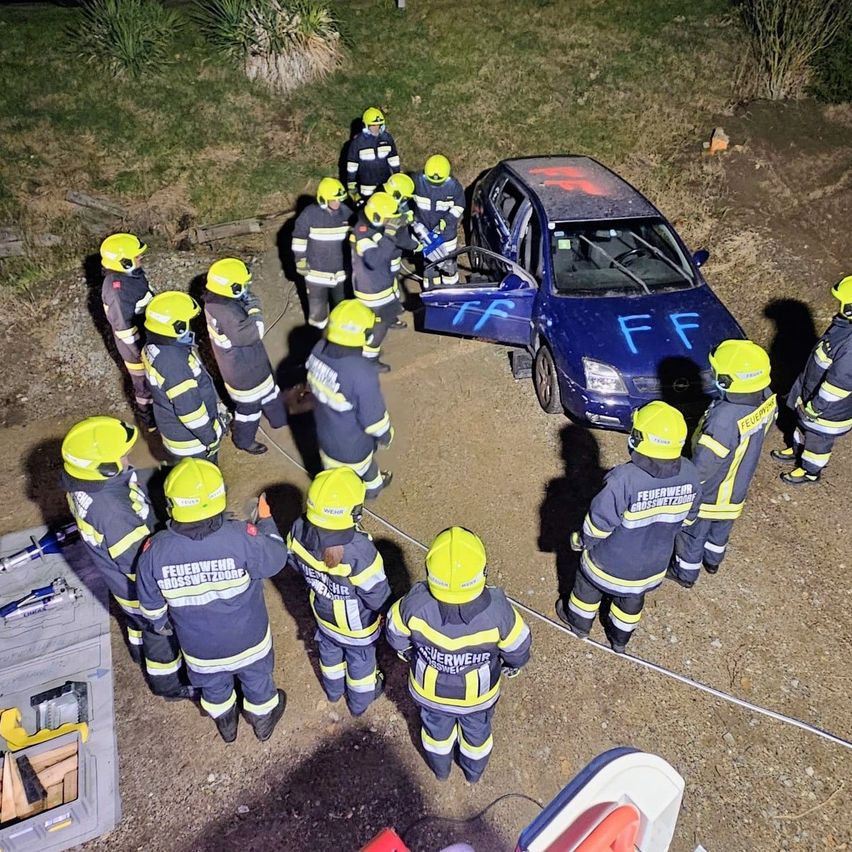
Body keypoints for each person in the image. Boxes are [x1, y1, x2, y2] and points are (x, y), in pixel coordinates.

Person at [136, 459, 287, 742]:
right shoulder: (242, 538)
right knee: (257, 681)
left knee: (214, 687)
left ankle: (226, 725)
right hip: (249, 641)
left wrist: (162, 625)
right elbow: (276, 558)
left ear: (172, 506)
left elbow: (152, 608)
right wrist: (266, 521)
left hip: (200, 651)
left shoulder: (154, 551)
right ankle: (263, 720)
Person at [61, 416, 196, 700]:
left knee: (136, 622)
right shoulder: (113, 514)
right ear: (105, 468)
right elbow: (138, 563)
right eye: (121, 456)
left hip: (119, 583)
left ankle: (137, 652)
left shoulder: (84, 484)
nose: (127, 457)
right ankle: (168, 684)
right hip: (138, 587)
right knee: (159, 634)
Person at [386, 527, 531, 783]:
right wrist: (513, 664)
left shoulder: (414, 603)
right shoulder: (498, 611)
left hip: (430, 694)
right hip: (478, 697)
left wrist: (408, 652)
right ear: (482, 572)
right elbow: (518, 647)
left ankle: (441, 771)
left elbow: (395, 633)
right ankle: (473, 774)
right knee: (477, 736)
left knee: (435, 735)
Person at [556, 401, 701, 653]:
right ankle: (619, 640)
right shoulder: (690, 473)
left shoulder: (622, 479)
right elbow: (689, 519)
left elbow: (599, 524)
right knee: (631, 602)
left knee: (586, 586)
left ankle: (579, 623)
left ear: (638, 439)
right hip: (651, 568)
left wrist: (581, 540)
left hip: (607, 565)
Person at [668, 340, 776, 586]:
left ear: (729, 381)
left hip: (712, 493)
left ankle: (685, 572)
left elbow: (706, 463)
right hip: (738, 484)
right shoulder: (767, 397)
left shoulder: (724, 419)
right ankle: (713, 560)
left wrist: (688, 485)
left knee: (692, 533)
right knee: (721, 529)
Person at [286, 468, 390, 716]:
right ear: (355, 512)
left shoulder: (299, 528)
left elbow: (293, 561)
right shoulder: (360, 550)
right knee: (361, 664)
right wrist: (387, 612)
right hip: (358, 627)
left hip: (323, 614)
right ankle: (358, 703)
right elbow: (377, 594)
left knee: (330, 653)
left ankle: (333, 691)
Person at [307, 300, 394, 498]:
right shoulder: (360, 373)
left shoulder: (318, 350)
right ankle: (370, 493)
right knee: (364, 470)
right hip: (352, 444)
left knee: (333, 474)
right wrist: (387, 435)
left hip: (325, 436)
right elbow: (374, 421)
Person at [771, 275, 852, 485]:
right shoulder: (844, 327)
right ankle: (798, 451)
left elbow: (838, 386)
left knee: (817, 441)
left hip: (828, 410)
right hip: (811, 393)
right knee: (802, 426)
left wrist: (817, 408)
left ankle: (810, 470)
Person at [203, 258, 287, 456]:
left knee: (271, 392)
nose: (247, 287)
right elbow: (254, 332)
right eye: (243, 284)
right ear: (230, 287)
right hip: (244, 373)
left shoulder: (218, 301)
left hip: (250, 363)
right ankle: (244, 440)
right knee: (249, 411)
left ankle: (279, 418)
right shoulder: (227, 312)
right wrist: (254, 306)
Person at [142, 291, 225, 462]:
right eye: (189, 322)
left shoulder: (156, 345)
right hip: (192, 442)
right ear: (177, 327)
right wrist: (210, 439)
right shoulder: (174, 366)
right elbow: (191, 411)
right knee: (205, 476)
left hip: (174, 431)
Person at [350, 192, 420, 369]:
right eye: (389, 218)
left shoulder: (373, 223)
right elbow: (374, 260)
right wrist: (389, 234)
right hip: (373, 291)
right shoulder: (362, 233)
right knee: (377, 328)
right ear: (376, 215)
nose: (391, 222)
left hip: (382, 283)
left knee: (390, 311)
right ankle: (369, 359)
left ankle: (390, 319)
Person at [100, 233, 156, 430]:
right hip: (135, 347)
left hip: (146, 337)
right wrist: (141, 352)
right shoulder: (117, 291)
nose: (140, 258)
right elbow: (124, 329)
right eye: (136, 256)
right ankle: (148, 422)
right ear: (123, 262)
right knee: (143, 386)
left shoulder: (129, 275)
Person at [291, 178, 354, 330]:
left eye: (339, 199)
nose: (337, 204)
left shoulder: (346, 213)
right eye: (333, 200)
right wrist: (300, 261)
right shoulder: (309, 215)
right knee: (317, 311)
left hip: (340, 274)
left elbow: (356, 234)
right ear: (323, 199)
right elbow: (299, 239)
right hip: (316, 275)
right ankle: (315, 336)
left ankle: (340, 336)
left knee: (342, 309)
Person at [412, 155, 466, 287]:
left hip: (446, 235)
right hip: (425, 235)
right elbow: (406, 202)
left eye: (439, 183)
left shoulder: (454, 187)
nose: (434, 186)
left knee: (449, 267)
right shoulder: (416, 181)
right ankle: (431, 292)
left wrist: (447, 220)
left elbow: (459, 206)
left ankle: (452, 293)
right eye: (431, 182)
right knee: (429, 267)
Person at [346, 107, 400, 203]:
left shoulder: (387, 138)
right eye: (373, 125)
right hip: (366, 187)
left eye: (379, 125)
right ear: (366, 125)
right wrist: (351, 185)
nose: (376, 128)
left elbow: (394, 159)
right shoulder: (358, 142)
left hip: (385, 185)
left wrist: (397, 176)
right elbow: (352, 166)